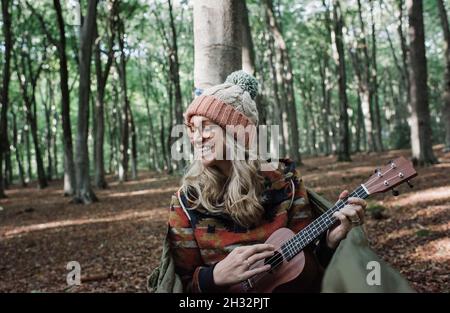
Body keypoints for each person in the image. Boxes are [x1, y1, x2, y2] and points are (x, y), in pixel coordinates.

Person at [166, 71, 367, 293]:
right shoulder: (186, 200)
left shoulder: (285, 182)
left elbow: (307, 265)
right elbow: (181, 286)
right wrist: (213, 277)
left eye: (206, 127)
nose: (196, 138)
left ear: (236, 133)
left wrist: (331, 242)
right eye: (193, 129)